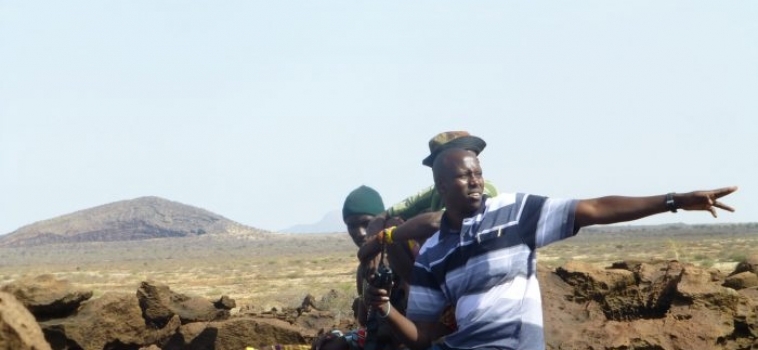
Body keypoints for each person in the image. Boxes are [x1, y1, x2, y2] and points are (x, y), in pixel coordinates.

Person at [365, 145, 738, 350]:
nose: (476, 181)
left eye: (479, 172)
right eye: (465, 175)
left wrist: (674, 200)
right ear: (442, 187)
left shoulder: (515, 213)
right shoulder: (433, 252)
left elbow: (594, 209)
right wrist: (383, 310)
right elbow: (423, 338)